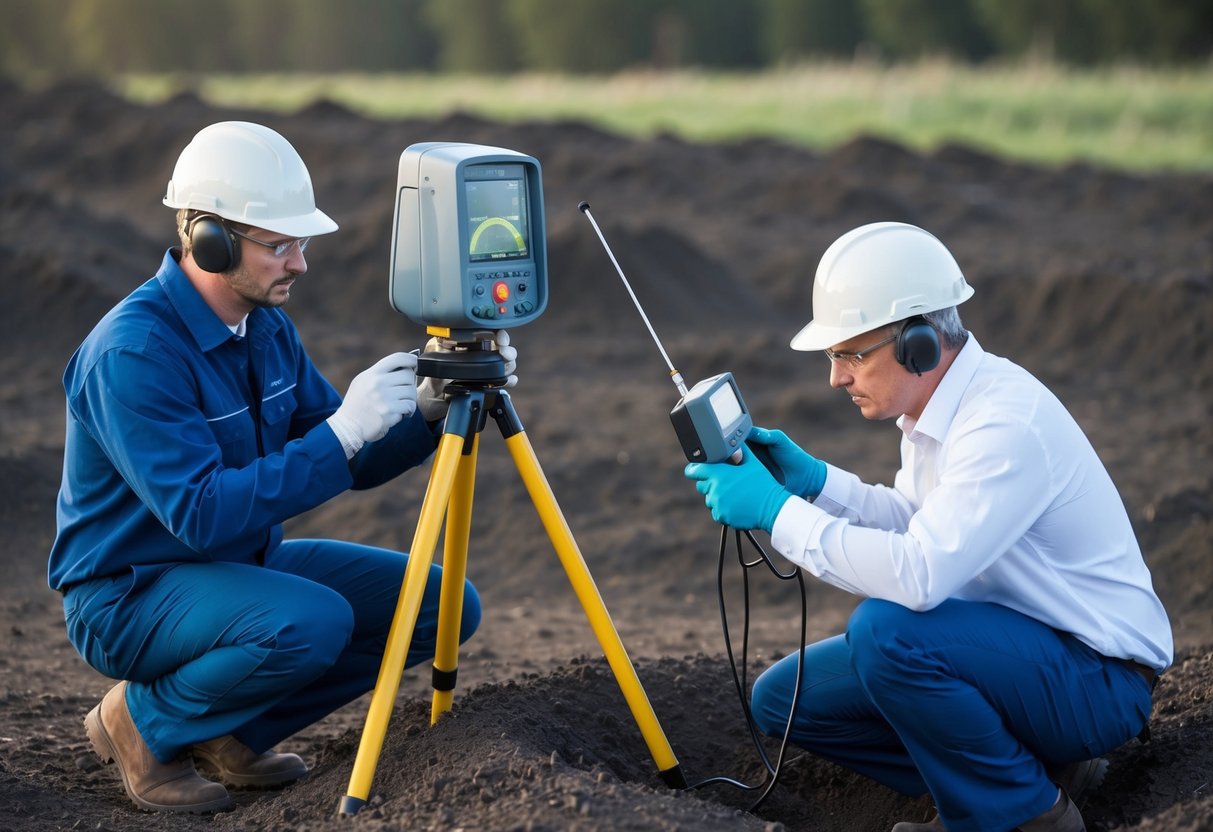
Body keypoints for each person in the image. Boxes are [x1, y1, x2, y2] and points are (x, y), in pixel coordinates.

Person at [49, 121, 516, 813]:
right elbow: (201, 515)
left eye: (301, 243)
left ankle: (226, 730)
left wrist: (426, 409)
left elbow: (348, 458)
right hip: (129, 592)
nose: (299, 262)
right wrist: (341, 432)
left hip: (235, 572)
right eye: (279, 245)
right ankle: (141, 724)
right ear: (208, 239)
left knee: (438, 606)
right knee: (310, 621)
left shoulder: (264, 327)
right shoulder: (135, 353)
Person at [684, 222, 1172, 832]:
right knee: (786, 700)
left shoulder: (1002, 425)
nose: (836, 377)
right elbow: (918, 522)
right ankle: (1024, 773)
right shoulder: (938, 414)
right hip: (1025, 654)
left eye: (850, 354)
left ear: (919, 344)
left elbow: (919, 574)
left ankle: (1024, 816)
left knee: (888, 634)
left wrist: (775, 512)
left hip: (1095, 679)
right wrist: (814, 483)